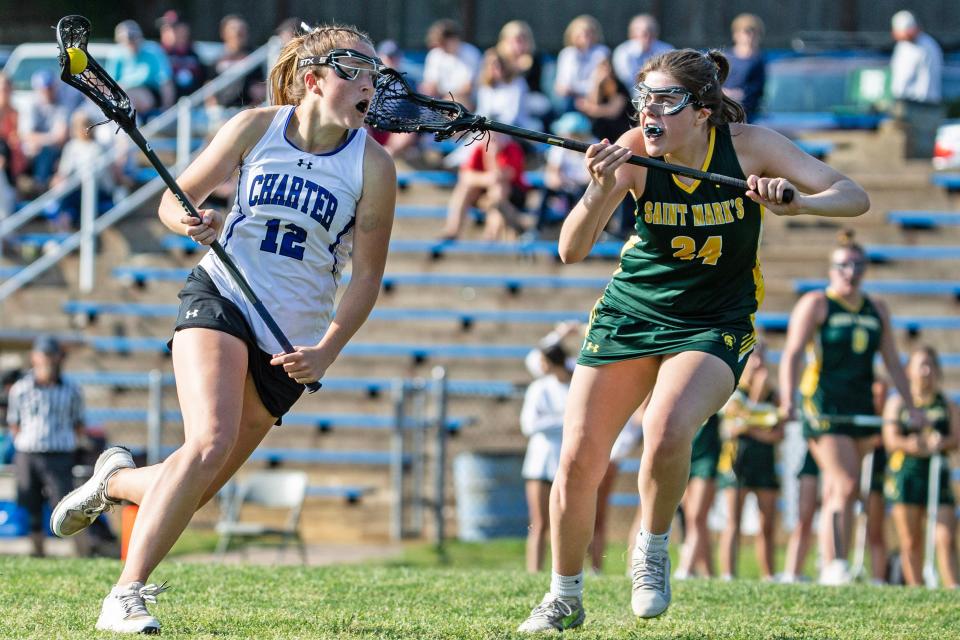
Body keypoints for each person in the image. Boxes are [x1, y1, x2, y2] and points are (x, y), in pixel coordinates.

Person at [49, 23, 396, 634]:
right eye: (357, 72)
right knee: (208, 441)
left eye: (375, 74)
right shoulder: (254, 128)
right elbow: (169, 200)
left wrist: (328, 351)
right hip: (223, 295)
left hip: (291, 338)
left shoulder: (374, 165)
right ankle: (126, 594)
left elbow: (366, 278)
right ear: (314, 81)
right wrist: (191, 220)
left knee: (196, 483)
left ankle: (117, 479)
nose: (371, 85)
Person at [517, 48, 869, 633]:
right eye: (643, 98)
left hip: (715, 319)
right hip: (631, 312)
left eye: (665, 100)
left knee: (667, 428)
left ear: (703, 112)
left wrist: (798, 203)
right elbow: (570, 250)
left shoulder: (750, 146)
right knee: (578, 456)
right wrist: (597, 188)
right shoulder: (631, 152)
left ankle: (651, 551)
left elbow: (852, 194)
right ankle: (564, 595)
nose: (649, 112)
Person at [780, 230, 919, 586]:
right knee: (844, 483)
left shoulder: (877, 309)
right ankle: (835, 564)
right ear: (831, 269)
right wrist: (787, 398)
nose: (850, 272)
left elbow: (891, 360)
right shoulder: (817, 303)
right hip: (824, 404)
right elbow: (793, 353)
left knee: (842, 490)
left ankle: (833, 560)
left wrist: (911, 406)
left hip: (860, 404)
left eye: (857, 265)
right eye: (843, 265)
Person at [883, 346, 959, 588]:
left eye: (931, 366)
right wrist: (911, 444)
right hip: (907, 474)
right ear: (909, 371)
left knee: (946, 537)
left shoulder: (945, 404)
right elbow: (890, 439)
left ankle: (952, 589)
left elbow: (955, 438)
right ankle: (915, 589)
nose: (926, 371)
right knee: (911, 540)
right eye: (921, 366)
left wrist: (940, 443)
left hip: (937, 473)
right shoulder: (898, 403)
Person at [8, 336, 84, 557]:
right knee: (30, 504)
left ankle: (80, 553)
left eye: (51, 355)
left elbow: (78, 423)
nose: (47, 360)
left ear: (58, 358)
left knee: (67, 505)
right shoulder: (21, 389)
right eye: (43, 354)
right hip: (28, 453)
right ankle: (38, 551)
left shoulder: (71, 390)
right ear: (34, 357)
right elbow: (14, 423)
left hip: (59, 453)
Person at [717, 344, 782, 581]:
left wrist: (751, 427)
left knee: (767, 525)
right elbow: (731, 428)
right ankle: (728, 574)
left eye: (762, 358)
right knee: (734, 523)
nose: (758, 364)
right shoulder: (735, 392)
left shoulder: (774, 395)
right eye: (754, 359)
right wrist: (758, 417)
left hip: (764, 463)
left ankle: (769, 575)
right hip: (737, 462)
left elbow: (778, 432)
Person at [521, 341, 572, 573]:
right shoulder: (539, 388)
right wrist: (564, 420)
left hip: (565, 461)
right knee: (539, 522)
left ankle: (562, 571)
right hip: (540, 462)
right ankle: (534, 570)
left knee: (564, 523)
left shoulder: (574, 384)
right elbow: (529, 425)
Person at [440, 131, 528, 241]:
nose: (492, 140)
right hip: (490, 195)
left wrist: (492, 156)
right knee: (466, 188)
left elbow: (503, 176)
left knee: (498, 189)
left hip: (513, 194)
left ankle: (492, 233)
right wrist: (487, 178)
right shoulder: (480, 148)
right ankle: (453, 230)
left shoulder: (512, 149)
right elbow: (466, 176)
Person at [889, 10, 944, 158]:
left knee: (920, 149)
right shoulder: (905, 46)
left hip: (921, 104)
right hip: (911, 102)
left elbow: (905, 78)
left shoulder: (923, 46)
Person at [674, 414, 721, 579]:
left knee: (697, 517)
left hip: (707, 456)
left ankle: (685, 569)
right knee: (690, 518)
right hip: (684, 452)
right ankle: (709, 573)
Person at [534, 112, 594, 233]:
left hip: (586, 188)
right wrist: (561, 182)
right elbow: (552, 174)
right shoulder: (560, 147)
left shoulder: (594, 145)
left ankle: (582, 229)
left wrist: (572, 184)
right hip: (566, 187)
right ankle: (539, 229)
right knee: (546, 191)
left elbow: (591, 178)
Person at [107, 20, 175, 113]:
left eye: (134, 37)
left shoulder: (153, 51)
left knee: (130, 97)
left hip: (150, 96)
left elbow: (165, 81)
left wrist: (166, 109)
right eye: (127, 39)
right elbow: (110, 83)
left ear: (140, 36)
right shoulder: (116, 54)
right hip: (121, 95)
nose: (131, 41)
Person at [18, 70, 69, 192]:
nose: (47, 91)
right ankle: (38, 185)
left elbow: (61, 137)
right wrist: (49, 138)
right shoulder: (31, 104)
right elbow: (25, 135)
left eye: (50, 88)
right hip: (33, 152)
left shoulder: (61, 103)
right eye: (44, 88)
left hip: (54, 152)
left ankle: (41, 186)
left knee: (48, 151)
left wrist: (43, 140)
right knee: (36, 148)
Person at [420, 19, 482, 108]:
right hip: (440, 99)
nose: (441, 47)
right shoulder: (434, 54)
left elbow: (468, 88)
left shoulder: (470, 53)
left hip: (466, 101)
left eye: (444, 43)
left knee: (456, 103)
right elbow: (430, 84)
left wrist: (447, 99)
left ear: (455, 39)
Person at [553, 15, 609, 113]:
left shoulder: (602, 52)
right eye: (581, 34)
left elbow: (598, 82)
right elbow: (562, 84)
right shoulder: (567, 54)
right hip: (570, 99)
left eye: (588, 34)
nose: (585, 37)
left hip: (595, 97)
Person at [209, 14, 267, 108]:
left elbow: (261, 90)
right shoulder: (217, 59)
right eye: (233, 28)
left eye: (242, 29)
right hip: (222, 112)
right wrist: (214, 112)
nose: (238, 32)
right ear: (224, 33)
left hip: (246, 110)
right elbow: (209, 88)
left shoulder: (255, 58)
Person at [575, 54, 633, 144]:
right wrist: (598, 84)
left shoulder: (620, 86)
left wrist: (590, 108)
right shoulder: (597, 86)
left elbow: (613, 112)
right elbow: (594, 102)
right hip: (602, 130)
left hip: (619, 129)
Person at [723, 14, 766, 123]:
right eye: (746, 32)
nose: (750, 36)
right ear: (736, 34)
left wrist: (742, 94)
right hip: (724, 112)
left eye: (755, 33)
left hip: (748, 115)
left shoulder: (758, 60)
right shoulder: (725, 58)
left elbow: (757, 89)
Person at [612, 14, 673, 90]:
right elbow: (626, 80)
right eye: (644, 33)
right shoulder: (622, 52)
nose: (648, 36)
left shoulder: (667, 49)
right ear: (633, 34)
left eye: (652, 32)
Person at [157, 11, 207, 100]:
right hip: (166, 110)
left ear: (185, 30)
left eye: (172, 28)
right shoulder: (157, 54)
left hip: (194, 104)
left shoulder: (194, 54)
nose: (166, 32)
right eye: (164, 28)